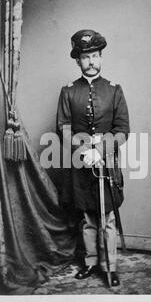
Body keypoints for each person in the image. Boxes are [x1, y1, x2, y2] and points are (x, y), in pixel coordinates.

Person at [56, 29, 130, 286]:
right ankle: (89, 263)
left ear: (101, 58)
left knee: (107, 218)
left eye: (95, 56)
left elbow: (123, 131)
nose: (91, 61)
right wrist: (83, 150)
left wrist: (101, 150)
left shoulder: (114, 90)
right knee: (87, 218)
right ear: (78, 60)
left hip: (107, 165)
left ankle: (110, 266)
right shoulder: (68, 91)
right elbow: (64, 129)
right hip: (81, 164)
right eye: (85, 57)